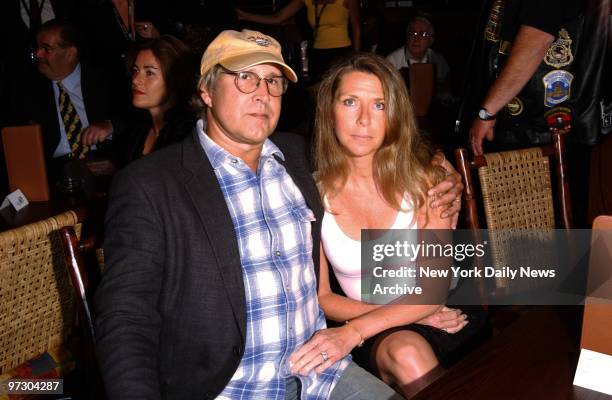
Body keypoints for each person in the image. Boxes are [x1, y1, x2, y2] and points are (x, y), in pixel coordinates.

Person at [95, 29, 463, 399]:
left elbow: (377, 157)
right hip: (231, 388)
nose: (262, 93)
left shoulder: (299, 159)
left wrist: (445, 177)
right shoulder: (151, 184)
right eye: (244, 77)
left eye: (272, 81)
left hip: (323, 374)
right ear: (206, 90)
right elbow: (125, 319)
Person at [313, 53, 474, 398]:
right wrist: (401, 317)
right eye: (350, 101)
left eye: (380, 105)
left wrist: (356, 331)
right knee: (405, 353)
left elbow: (432, 291)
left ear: (395, 114)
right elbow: (323, 297)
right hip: (375, 325)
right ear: (330, 110)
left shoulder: (431, 176)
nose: (363, 120)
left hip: (447, 311)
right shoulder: (312, 193)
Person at [465, 0, 607, 227]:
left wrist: (486, 112)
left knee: (528, 235)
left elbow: (536, 40)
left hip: (537, 130)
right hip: (535, 127)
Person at [3, 19, 116, 178]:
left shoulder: (103, 80)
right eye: (37, 48)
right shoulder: (26, 88)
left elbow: (132, 121)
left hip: (102, 162)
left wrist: (110, 126)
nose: (38, 54)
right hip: (54, 172)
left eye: (46, 49)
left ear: (70, 53)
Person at [112, 35, 197, 167]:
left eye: (149, 73)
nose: (135, 80)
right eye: (136, 70)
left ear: (175, 79)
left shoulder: (189, 135)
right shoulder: (138, 131)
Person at [236, 0, 361, 82]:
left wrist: (356, 57)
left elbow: (356, 27)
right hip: (317, 54)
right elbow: (278, 18)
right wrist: (246, 16)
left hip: (341, 52)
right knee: (318, 96)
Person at [386, 16, 451, 103]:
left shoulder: (439, 61)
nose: (416, 38)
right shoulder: (392, 61)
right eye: (413, 33)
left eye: (422, 34)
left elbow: (446, 91)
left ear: (431, 40)